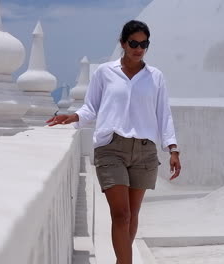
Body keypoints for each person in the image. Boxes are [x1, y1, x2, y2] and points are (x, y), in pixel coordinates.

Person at [46, 20, 181, 264]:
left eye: (144, 44)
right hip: (112, 148)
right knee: (121, 214)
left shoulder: (155, 77)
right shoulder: (105, 73)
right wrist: (73, 117)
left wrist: (173, 148)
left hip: (144, 151)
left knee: (132, 215)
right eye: (133, 43)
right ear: (123, 43)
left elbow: (164, 114)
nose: (139, 48)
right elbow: (91, 107)